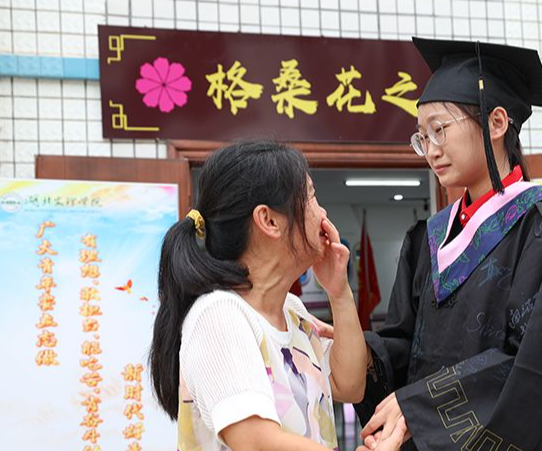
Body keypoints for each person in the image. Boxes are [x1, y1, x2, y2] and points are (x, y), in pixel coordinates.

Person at [355, 37, 542, 451]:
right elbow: (403, 346)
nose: (430, 151)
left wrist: (420, 408)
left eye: (439, 130)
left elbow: (539, 361)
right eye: (422, 137)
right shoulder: (428, 238)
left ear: (497, 123)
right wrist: (351, 346)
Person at [148, 140, 407, 451]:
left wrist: (339, 292)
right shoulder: (219, 314)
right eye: (311, 197)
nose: (322, 212)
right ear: (269, 220)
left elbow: (350, 385)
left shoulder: (292, 310)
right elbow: (256, 442)